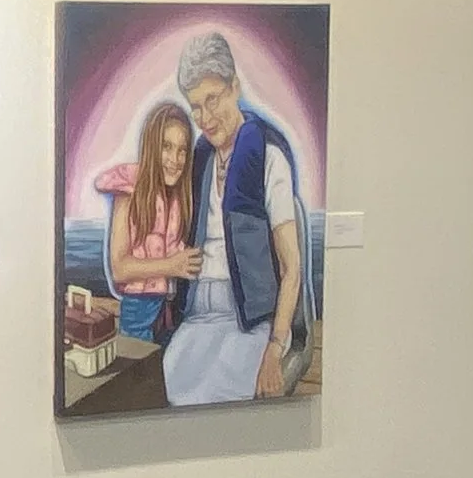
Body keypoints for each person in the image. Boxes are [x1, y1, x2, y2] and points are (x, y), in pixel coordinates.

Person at [160, 31, 314, 405]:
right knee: (168, 375)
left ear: (235, 88)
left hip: (250, 320)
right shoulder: (200, 160)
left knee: (216, 397)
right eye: (196, 107)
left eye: (212, 100)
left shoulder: (268, 157)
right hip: (198, 315)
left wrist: (275, 347)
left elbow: (291, 268)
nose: (204, 117)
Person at [94, 102, 198, 345]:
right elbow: (120, 268)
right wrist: (172, 265)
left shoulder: (179, 196)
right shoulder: (130, 191)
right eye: (166, 147)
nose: (175, 159)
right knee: (140, 365)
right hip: (138, 312)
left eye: (182, 150)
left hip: (169, 311)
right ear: (152, 146)